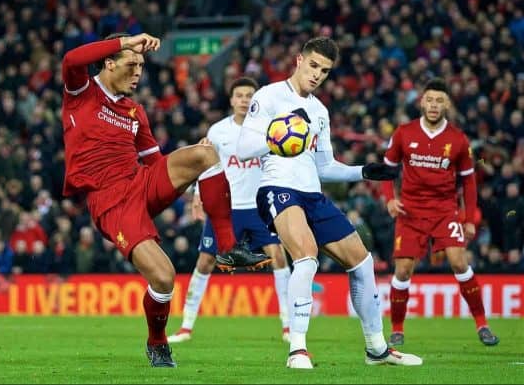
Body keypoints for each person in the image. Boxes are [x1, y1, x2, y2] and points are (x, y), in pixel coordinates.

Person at [60, 33, 270, 368]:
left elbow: (157, 164)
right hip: (110, 202)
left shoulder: (134, 111)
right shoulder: (81, 93)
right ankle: (157, 343)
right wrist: (128, 40)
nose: (138, 73)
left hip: (141, 184)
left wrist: (196, 182)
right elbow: (71, 59)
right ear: (110, 63)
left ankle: (227, 248)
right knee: (163, 277)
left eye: (142, 66)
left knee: (205, 153)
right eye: (131, 64)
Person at [236, 36, 423, 368]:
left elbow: (324, 166)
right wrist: (277, 136)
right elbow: (245, 149)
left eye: (325, 70)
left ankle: (376, 349)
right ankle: (297, 349)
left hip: (312, 194)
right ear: (299, 60)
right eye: (313, 66)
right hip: (278, 187)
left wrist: (363, 171)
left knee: (362, 262)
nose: (318, 74)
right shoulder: (268, 96)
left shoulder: (319, 111)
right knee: (307, 257)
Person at [167, 77, 290, 344]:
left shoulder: (269, 129)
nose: (245, 99)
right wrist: (198, 195)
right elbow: (206, 166)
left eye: (249, 95)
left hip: (259, 207)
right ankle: (186, 327)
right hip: (226, 208)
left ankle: (288, 326)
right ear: (232, 99)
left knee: (278, 257)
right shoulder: (217, 131)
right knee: (205, 261)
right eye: (240, 95)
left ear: (255, 100)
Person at [381, 78, 499, 347]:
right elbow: (387, 169)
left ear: (447, 104)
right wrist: (390, 199)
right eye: (430, 100)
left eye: (439, 101)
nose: (434, 105)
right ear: (421, 102)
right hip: (410, 211)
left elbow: (468, 181)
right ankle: (397, 329)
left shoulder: (458, 139)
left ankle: (482, 324)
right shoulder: (403, 133)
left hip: (445, 211)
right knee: (403, 270)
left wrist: (469, 218)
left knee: (459, 261)